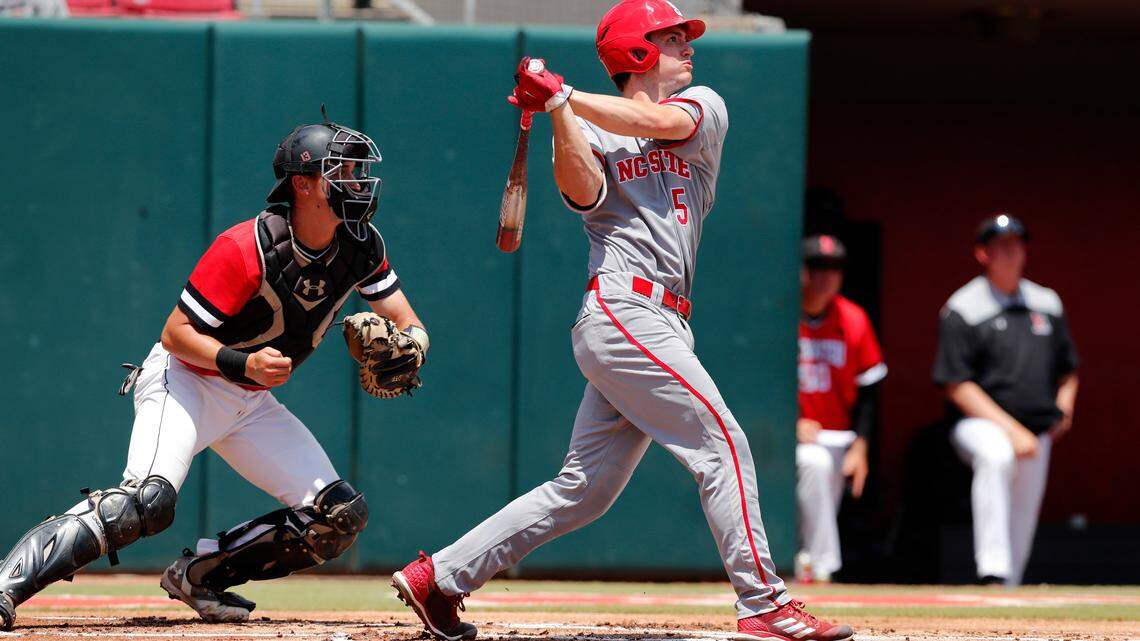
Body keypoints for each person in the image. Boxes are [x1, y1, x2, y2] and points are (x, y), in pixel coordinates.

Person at [388, 2, 853, 641]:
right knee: (722, 442)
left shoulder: (704, 107)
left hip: (665, 317)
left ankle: (440, 577)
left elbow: (655, 121)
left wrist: (565, 94)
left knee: (585, 490)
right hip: (622, 308)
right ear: (636, 50)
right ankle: (765, 605)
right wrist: (558, 113)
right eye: (669, 39)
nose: (687, 47)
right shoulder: (590, 128)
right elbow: (582, 193)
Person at [0, 117, 429, 630]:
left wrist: (412, 349)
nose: (357, 182)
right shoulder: (247, 245)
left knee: (336, 519)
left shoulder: (361, 244)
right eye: (343, 171)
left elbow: (409, 322)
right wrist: (244, 362)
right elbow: (175, 334)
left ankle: (198, 576)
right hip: (185, 379)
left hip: (248, 400)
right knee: (145, 504)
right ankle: (7, 583)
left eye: (359, 171)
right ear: (303, 184)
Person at [932, 213, 1079, 587]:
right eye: (1002, 246)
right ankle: (992, 571)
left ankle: (1007, 588)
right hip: (978, 424)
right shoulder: (963, 306)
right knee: (996, 455)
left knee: (1025, 509)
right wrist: (1012, 430)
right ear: (983, 254)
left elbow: (1068, 368)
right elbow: (956, 383)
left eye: (1017, 244)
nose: (1012, 253)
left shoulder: (1046, 301)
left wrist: (1064, 407)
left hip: (1036, 428)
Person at [795, 235, 886, 583]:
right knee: (813, 464)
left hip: (839, 437)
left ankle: (807, 562)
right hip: (791, 438)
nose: (825, 276)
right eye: (817, 266)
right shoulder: (782, 315)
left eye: (833, 268)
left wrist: (861, 447)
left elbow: (869, 389)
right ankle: (823, 568)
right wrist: (792, 421)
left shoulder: (853, 318)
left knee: (820, 485)